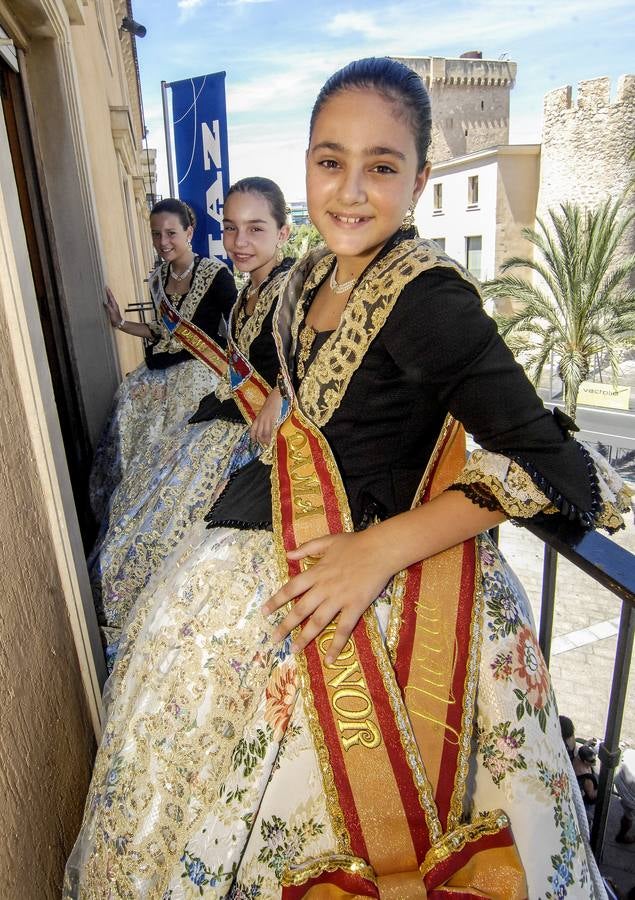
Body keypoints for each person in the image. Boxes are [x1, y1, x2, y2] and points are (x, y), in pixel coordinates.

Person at [65, 58, 631, 899]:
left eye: (381, 165)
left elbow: (567, 471)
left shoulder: (428, 299)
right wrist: (283, 410)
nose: (351, 190)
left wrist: (378, 550)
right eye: (331, 162)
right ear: (306, 168)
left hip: (374, 593)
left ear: (420, 179)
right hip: (265, 549)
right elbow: (320, 395)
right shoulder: (307, 280)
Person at [88, 179, 292, 667]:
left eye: (255, 229)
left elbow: (315, 350)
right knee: (143, 502)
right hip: (224, 412)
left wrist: (279, 393)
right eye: (231, 229)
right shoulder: (249, 290)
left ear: (285, 233)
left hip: (252, 432)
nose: (239, 242)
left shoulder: (294, 287)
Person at [89, 198, 236, 524]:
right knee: (134, 429)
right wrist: (120, 322)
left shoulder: (216, 275)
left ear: (189, 231)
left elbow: (240, 329)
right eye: (157, 234)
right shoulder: (157, 279)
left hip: (198, 375)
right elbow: (159, 332)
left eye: (171, 233)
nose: (163, 242)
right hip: (157, 375)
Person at [615, 747, 635, 844]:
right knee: (628, 816)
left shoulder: (630, 754)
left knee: (628, 814)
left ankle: (621, 836)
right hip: (630, 796)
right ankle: (621, 837)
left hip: (621, 783)